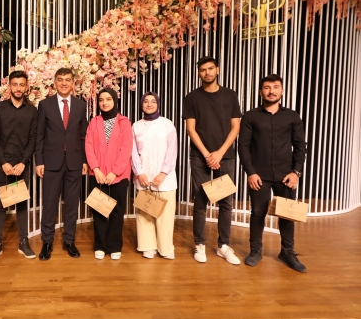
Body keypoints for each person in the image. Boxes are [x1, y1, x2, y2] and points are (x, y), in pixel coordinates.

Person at [238, 74, 308, 272]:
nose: (271, 91)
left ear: (282, 91)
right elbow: (243, 146)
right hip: (258, 175)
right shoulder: (250, 116)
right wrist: (250, 172)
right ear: (261, 92)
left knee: (287, 215)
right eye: (267, 88)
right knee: (257, 213)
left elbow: (300, 146)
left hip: (286, 175)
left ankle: (287, 252)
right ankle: (255, 251)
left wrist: (296, 172)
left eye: (276, 87)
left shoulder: (292, 116)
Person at [183, 56, 242, 265]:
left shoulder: (230, 95)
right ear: (198, 73)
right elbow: (191, 129)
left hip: (225, 156)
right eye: (203, 70)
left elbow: (236, 127)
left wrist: (219, 153)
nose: (207, 73)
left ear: (217, 69)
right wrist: (208, 154)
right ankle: (199, 244)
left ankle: (223, 245)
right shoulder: (192, 97)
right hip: (200, 156)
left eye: (210, 68)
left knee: (226, 202)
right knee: (200, 200)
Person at [35, 68, 88, 260]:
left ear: (73, 83)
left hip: (74, 162)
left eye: (67, 80)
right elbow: (40, 135)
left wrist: (84, 160)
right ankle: (47, 241)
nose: (64, 83)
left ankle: (69, 241)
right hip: (51, 162)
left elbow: (83, 135)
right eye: (60, 79)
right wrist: (39, 161)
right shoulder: (45, 104)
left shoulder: (81, 106)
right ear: (55, 83)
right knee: (49, 204)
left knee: (72, 204)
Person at [0, 70, 38, 262]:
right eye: (14, 84)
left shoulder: (32, 111)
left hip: (22, 165)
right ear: (9, 86)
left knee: (22, 203)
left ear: (26, 87)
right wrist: (4, 163)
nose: (18, 88)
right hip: (2, 164)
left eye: (21, 85)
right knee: (0, 204)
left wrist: (23, 162)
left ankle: (23, 242)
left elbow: (32, 140)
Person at [85, 88, 133, 260]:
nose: (104, 103)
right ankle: (100, 245)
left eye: (108, 99)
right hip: (97, 174)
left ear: (114, 101)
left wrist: (115, 172)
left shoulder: (124, 122)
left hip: (118, 176)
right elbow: (88, 146)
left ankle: (114, 246)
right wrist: (96, 169)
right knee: (98, 210)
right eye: (101, 100)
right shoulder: (94, 122)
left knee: (117, 211)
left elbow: (126, 149)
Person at [131, 92, 178, 260]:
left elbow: (172, 151)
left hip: (165, 180)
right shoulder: (136, 126)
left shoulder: (167, 124)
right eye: (146, 101)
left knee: (165, 216)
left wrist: (163, 173)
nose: (149, 104)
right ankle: (147, 246)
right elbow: (133, 152)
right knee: (145, 214)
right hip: (143, 178)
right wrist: (139, 173)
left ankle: (166, 248)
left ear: (158, 104)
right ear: (141, 105)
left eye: (153, 101)